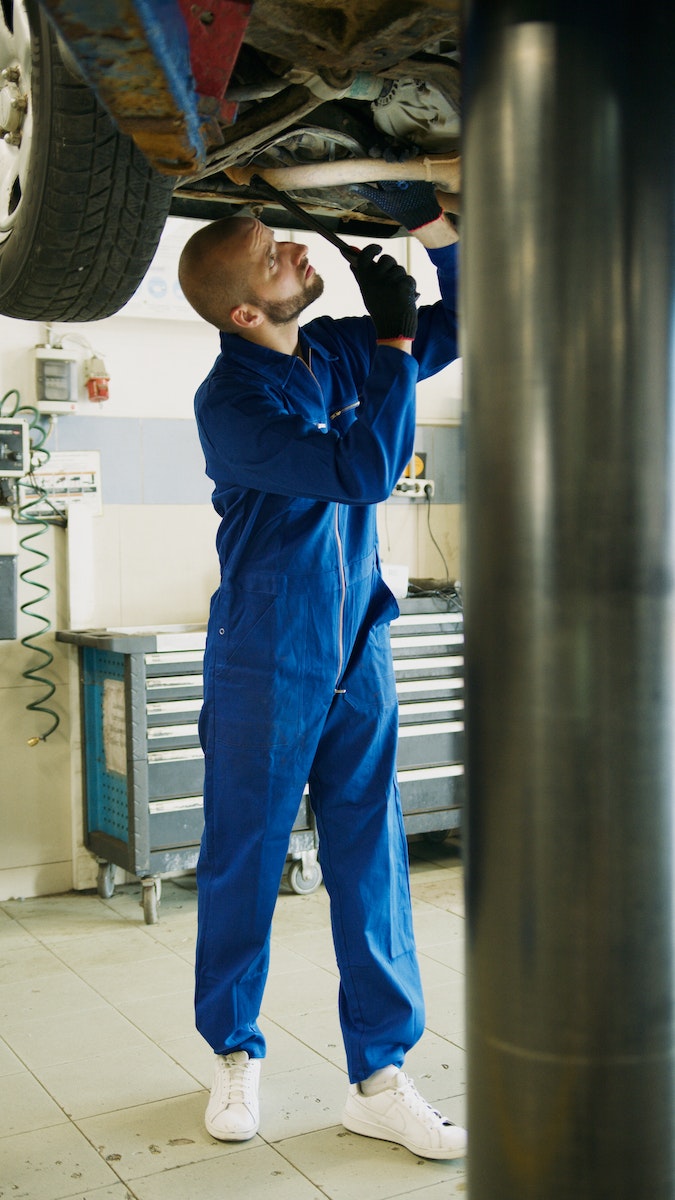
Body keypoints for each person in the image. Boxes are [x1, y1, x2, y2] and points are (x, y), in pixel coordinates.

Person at [178, 180, 465, 1162]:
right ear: (244, 312)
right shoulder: (231, 402)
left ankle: (379, 1078)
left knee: (371, 863)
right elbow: (360, 472)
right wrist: (392, 349)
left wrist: (433, 232)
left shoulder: (337, 345)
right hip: (268, 657)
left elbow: (471, 317)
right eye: (273, 259)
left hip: (356, 645)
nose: (299, 254)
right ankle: (233, 1057)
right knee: (245, 862)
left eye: (284, 243)